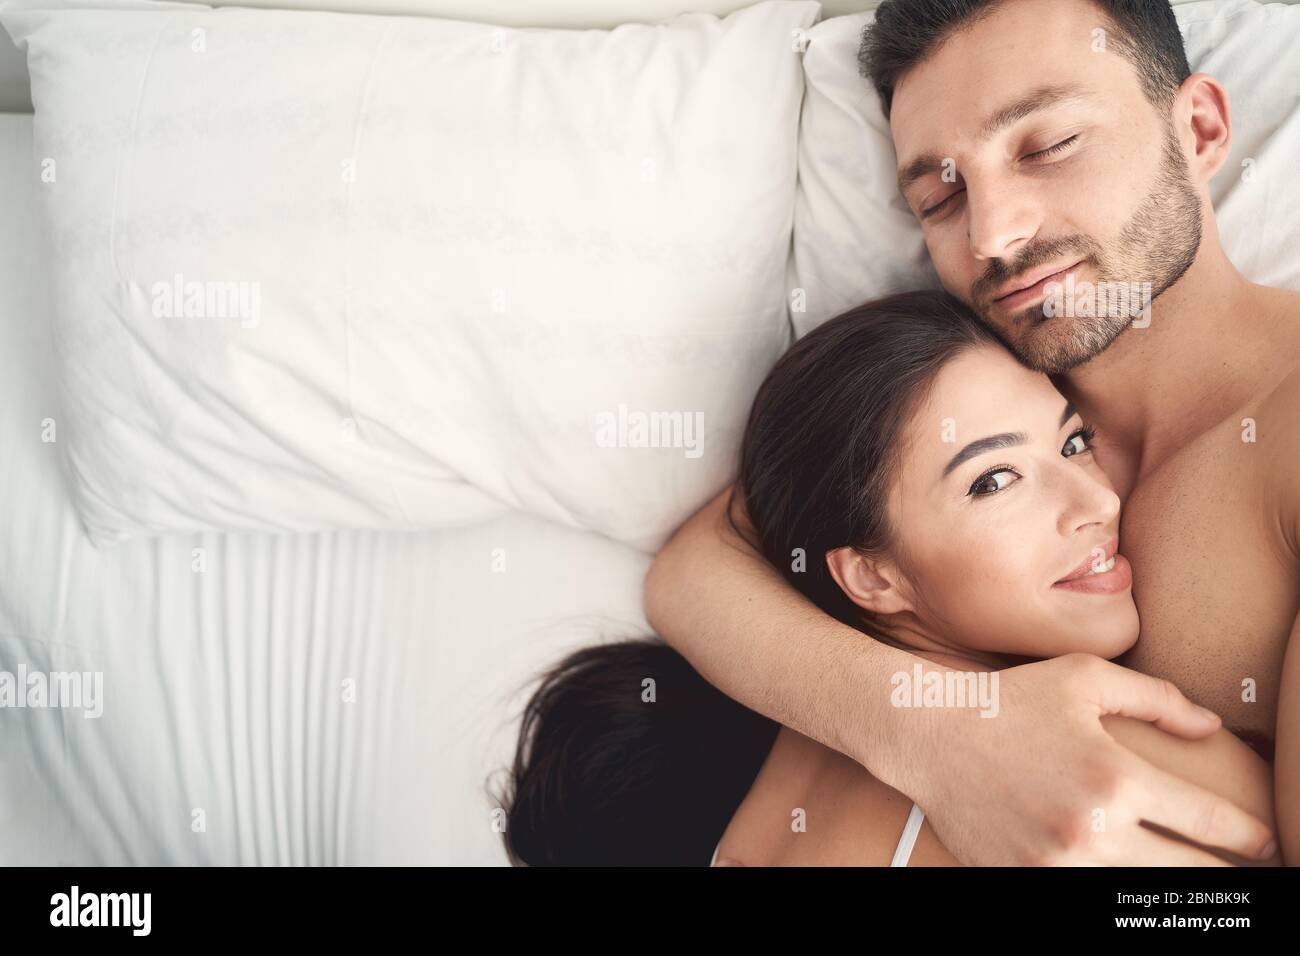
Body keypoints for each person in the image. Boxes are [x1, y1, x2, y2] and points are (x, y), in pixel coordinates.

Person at [644, 0, 1300, 865]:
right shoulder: (977, 382)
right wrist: (942, 739)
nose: (993, 235)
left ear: (1202, 129)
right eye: (941, 193)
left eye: (1047, 145)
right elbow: (700, 568)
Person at [496, 292, 1278, 866]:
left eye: (1073, 444)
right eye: (994, 481)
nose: (1099, 501)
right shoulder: (1096, 753)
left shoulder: (776, 778)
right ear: (870, 576)